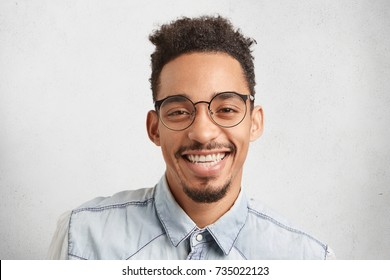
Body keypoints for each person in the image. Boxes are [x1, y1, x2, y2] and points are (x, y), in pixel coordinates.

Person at [48, 15, 333, 260]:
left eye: (226, 109)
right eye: (180, 112)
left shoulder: (308, 260)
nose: (202, 132)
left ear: (254, 123)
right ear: (154, 128)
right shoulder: (82, 240)